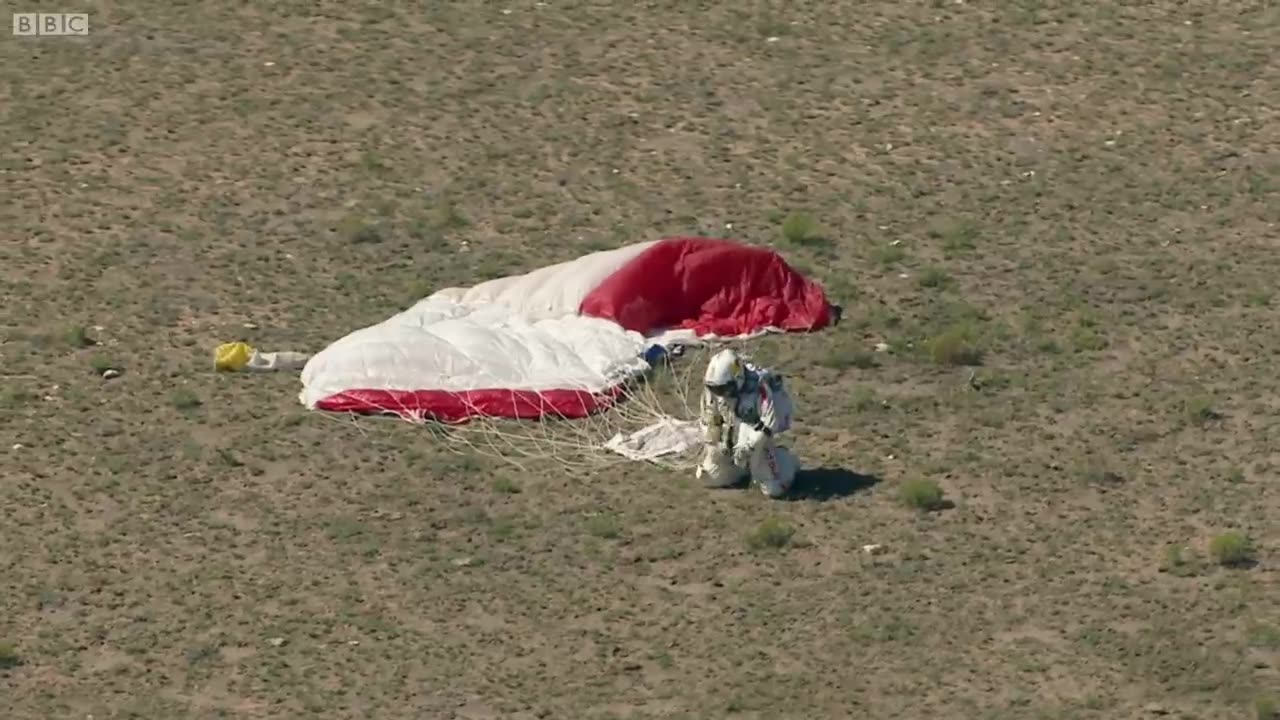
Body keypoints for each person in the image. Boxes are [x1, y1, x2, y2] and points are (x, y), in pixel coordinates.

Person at [695, 347, 799, 498]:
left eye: (724, 389)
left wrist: (749, 447)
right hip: (730, 435)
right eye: (716, 389)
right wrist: (715, 443)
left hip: (755, 436)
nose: (720, 394)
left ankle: (786, 461)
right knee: (708, 475)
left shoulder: (759, 387)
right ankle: (743, 469)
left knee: (774, 489)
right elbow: (709, 419)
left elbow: (770, 424)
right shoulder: (713, 390)